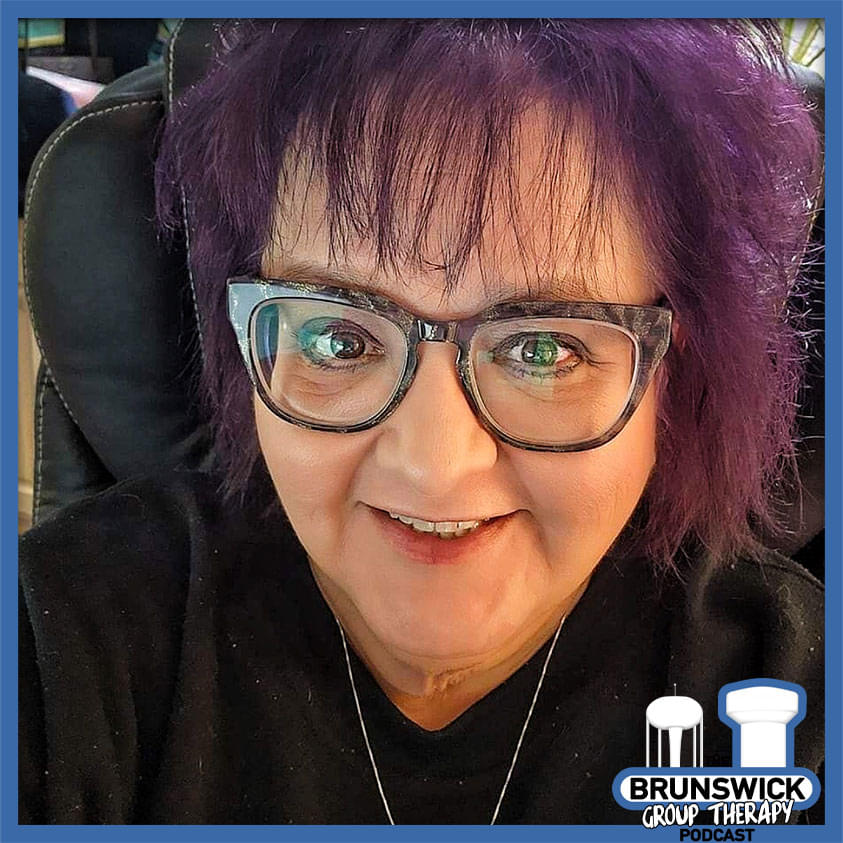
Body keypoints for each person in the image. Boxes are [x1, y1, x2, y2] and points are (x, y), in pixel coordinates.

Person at [19, 19, 824, 825]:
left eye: (543, 349)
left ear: (666, 374)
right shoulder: (67, 640)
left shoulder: (785, 696)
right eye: (338, 338)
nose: (433, 465)